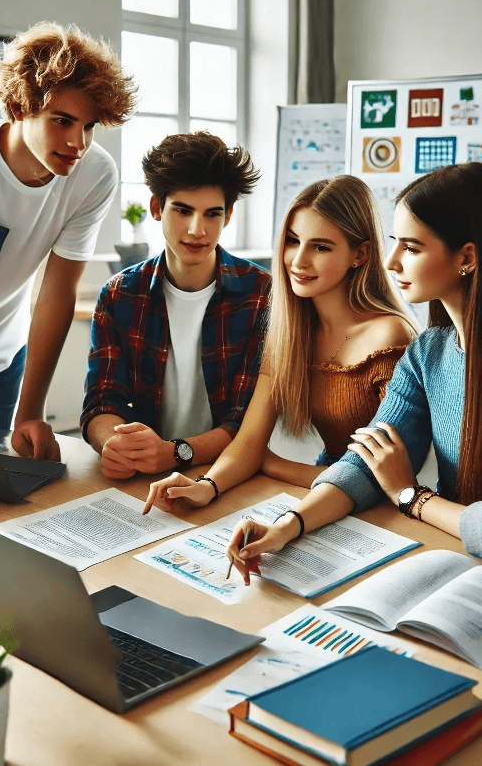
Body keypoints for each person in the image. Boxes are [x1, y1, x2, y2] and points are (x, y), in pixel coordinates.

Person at [228, 161, 482, 766]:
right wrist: (289, 524)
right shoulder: (432, 350)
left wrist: (412, 497)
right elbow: (364, 462)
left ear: (467, 257)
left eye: (411, 246)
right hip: (468, 570)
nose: (391, 262)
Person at [143, 174, 416, 514]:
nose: (298, 261)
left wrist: (271, 464)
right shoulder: (290, 331)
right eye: (292, 241)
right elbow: (250, 439)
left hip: (379, 506)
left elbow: (386, 478)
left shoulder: (389, 336)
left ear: (359, 254)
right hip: (322, 487)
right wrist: (206, 486)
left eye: (320, 247)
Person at [0, 21, 136, 460]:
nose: (77, 142)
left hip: (0, 359)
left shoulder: (95, 175)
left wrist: (31, 412)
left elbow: (57, 294)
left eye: (89, 126)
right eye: (62, 121)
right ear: (19, 108)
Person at [80, 130, 271, 479]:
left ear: (228, 216)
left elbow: (246, 422)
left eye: (212, 214)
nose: (197, 229)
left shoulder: (261, 295)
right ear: (157, 208)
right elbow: (102, 399)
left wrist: (176, 453)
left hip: (229, 472)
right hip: (145, 472)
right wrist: (113, 444)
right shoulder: (120, 295)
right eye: (183, 210)